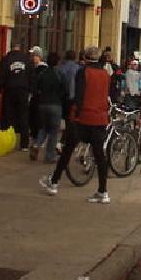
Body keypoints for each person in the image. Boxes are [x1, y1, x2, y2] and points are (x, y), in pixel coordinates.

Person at [39, 46, 112, 203]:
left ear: (85, 58)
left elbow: (79, 95)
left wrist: (74, 115)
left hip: (84, 118)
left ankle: (54, 182)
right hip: (100, 118)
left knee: (68, 150)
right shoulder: (105, 74)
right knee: (100, 155)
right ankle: (103, 191)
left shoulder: (83, 72)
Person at [0, 42, 33, 150]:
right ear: (19, 48)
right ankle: (24, 144)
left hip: (9, 90)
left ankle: (8, 143)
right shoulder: (27, 60)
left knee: (9, 117)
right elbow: (32, 76)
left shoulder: (5, 60)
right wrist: (30, 90)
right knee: (23, 116)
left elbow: (1, 77)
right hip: (23, 91)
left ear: (11, 48)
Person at [31, 52, 65, 163]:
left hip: (42, 104)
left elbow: (35, 88)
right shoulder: (59, 74)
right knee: (54, 132)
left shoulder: (42, 74)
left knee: (43, 128)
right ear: (57, 62)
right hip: (55, 104)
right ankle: (50, 156)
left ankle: (36, 145)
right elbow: (65, 90)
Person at [28, 46, 49, 159]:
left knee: (37, 122)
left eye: (33, 55)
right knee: (35, 122)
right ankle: (36, 142)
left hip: (38, 100)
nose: (32, 58)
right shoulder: (36, 69)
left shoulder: (40, 70)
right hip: (37, 100)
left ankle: (37, 143)